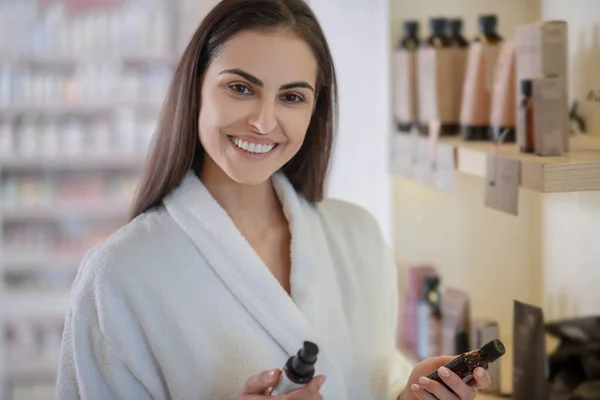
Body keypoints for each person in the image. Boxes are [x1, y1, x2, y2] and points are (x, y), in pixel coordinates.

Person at [55, 0, 493, 399]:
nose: (264, 122)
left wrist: (407, 395)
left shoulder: (359, 237)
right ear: (196, 87)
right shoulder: (118, 275)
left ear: (314, 109)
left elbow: (367, 380)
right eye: (240, 88)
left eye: (291, 97)